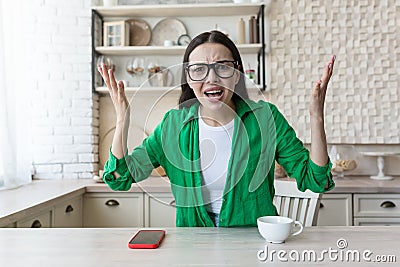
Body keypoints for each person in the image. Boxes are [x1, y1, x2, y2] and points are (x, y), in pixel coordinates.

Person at [98, 30, 336, 227]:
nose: (211, 78)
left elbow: (315, 180)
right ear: (189, 79)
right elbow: (120, 178)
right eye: (199, 69)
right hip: (193, 248)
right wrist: (122, 121)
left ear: (237, 74)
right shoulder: (173, 125)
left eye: (222, 67)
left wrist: (317, 118)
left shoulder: (266, 118)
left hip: (252, 246)